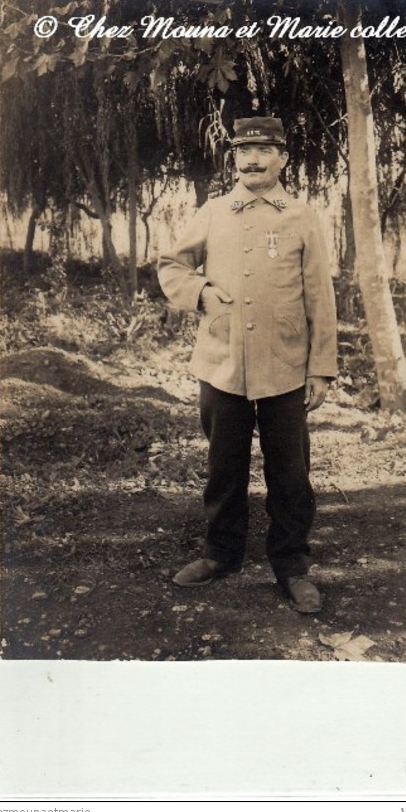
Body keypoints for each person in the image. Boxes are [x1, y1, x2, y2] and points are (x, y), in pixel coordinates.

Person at [158, 116, 337, 613]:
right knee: (224, 466)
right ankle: (221, 554)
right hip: (222, 362)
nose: (252, 159)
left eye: (262, 150)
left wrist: (320, 366)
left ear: (283, 157)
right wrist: (201, 294)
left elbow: (320, 296)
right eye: (242, 151)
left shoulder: (301, 216)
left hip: (285, 364)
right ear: (233, 158)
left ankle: (293, 566)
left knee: (291, 472)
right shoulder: (214, 212)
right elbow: (171, 264)